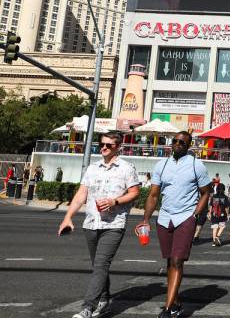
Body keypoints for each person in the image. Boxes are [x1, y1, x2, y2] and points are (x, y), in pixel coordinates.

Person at [58, 132, 140, 318]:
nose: (103, 147)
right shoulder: (93, 168)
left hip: (114, 224)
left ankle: (88, 307)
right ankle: (104, 299)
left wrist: (115, 202)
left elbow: (134, 192)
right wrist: (68, 217)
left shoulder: (126, 168)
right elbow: (81, 195)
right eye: (101, 143)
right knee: (98, 266)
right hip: (91, 223)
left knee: (101, 264)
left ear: (118, 147)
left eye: (109, 145)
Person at [137, 131, 212, 318]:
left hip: (185, 218)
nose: (178, 144)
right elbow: (153, 195)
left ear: (188, 146)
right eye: (176, 141)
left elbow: (206, 192)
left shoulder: (197, 165)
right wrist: (145, 219)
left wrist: (195, 214)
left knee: (177, 261)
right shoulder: (161, 165)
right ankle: (176, 302)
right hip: (164, 219)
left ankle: (168, 308)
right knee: (170, 261)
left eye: (183, 143)